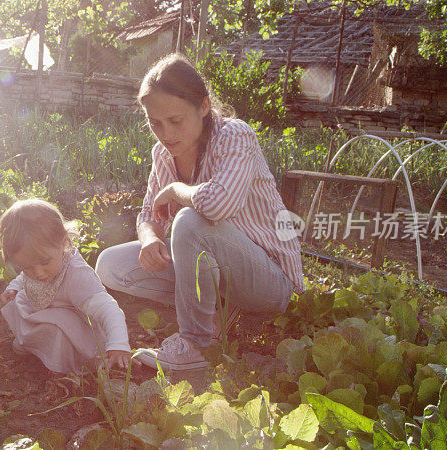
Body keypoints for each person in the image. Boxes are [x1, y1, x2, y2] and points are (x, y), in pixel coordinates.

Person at [95, 53, 304, 371]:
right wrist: (150, 238)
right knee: (110, 265)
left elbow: (218, 204)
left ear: (204, 107)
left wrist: (176, 191)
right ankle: (219, 311)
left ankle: (197, 344)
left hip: (269, 280)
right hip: (221, 273)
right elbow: (150, 211)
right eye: (155, 124)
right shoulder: (164, 154)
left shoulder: (235, 135)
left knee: (190, 221)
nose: (165, 133)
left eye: (175, 120)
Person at [0, 198, 132, 374]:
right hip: (42, 308)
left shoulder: (77, 275)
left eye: (44, 262)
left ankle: (60, 367)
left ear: (63, 242)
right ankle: (32, 345)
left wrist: (118, 344)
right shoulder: (37, 266)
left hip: (71, 329)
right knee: (19, 302)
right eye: (27, 266)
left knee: (56, 329)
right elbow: (24, 277)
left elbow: (109, 309)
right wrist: (13, 288)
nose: (38, 273)